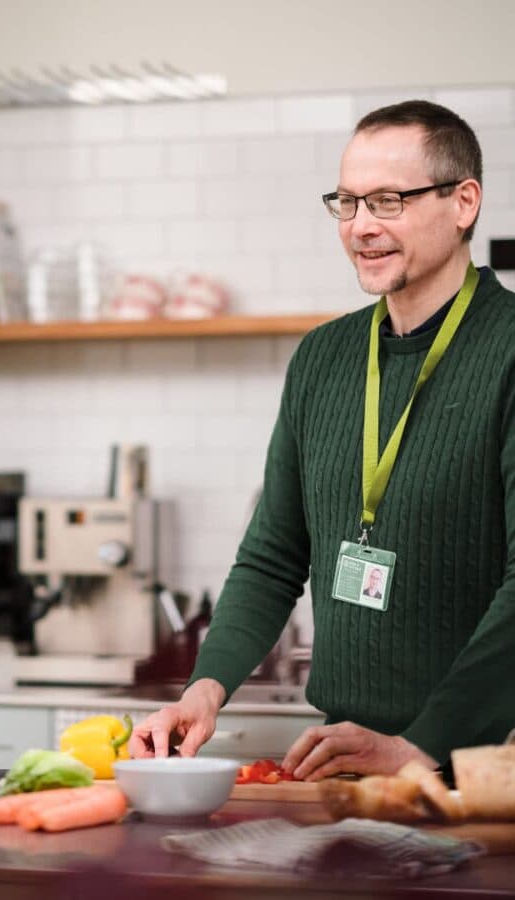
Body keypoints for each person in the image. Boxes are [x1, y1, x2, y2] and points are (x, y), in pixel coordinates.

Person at [129, 99, 515, 781]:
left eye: (389, 201)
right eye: (348, 202)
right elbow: (272, 556)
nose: (362, 227)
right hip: (347, 764)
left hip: (488, 772)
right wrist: (205, 687)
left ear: (463, 203)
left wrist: (421, 746)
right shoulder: (324, 358)